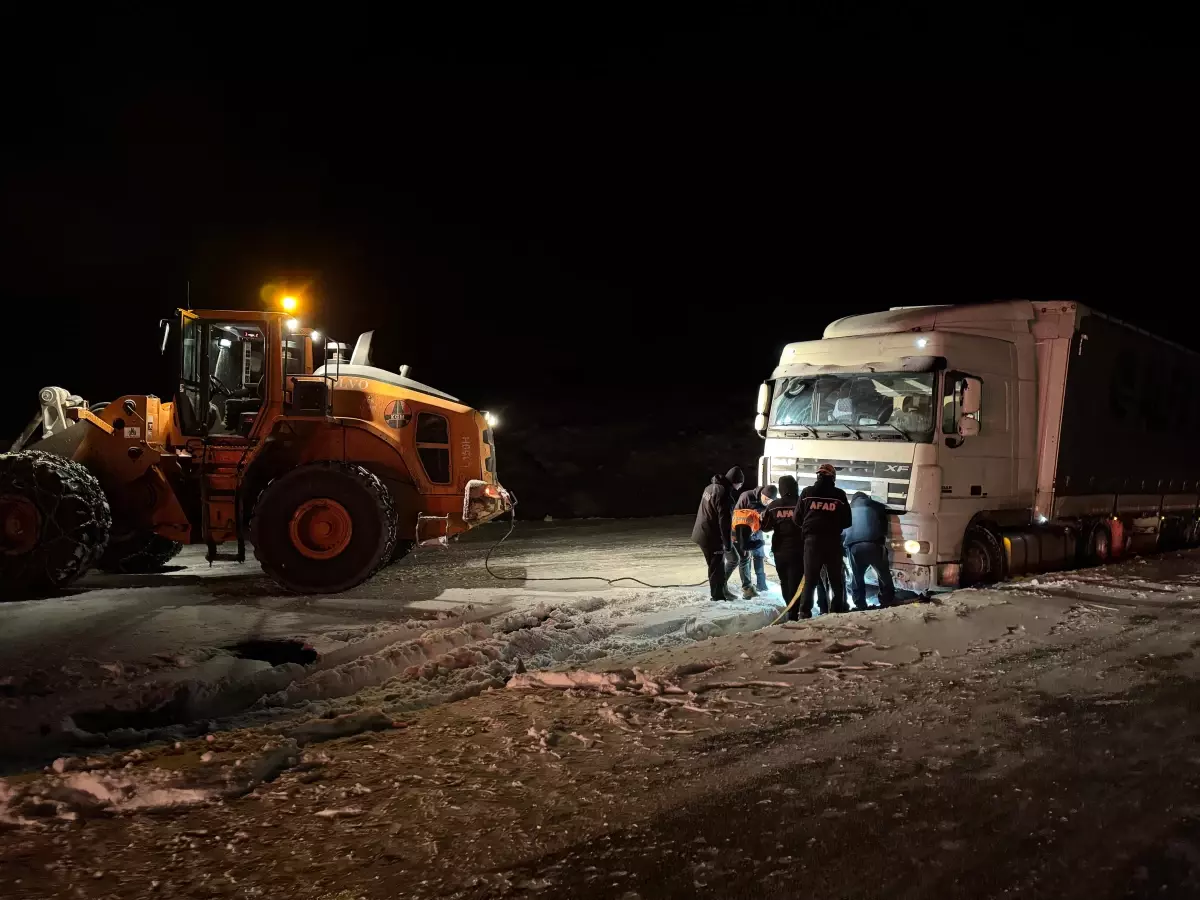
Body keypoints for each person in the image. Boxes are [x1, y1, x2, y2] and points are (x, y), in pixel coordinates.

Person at [798, 463, 852, 616]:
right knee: (836, 580)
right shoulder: (839, 495)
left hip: (812, 542)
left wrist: (810, 527)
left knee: (810, 580)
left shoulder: (807, 493)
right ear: (833, 477)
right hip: (833, 542)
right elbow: (848, 521)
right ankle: (837, 610)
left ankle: (804, 612)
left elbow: (797, 518)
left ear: (818, 475)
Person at [691, 466, 744, 601]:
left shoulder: (710, 487)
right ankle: (717, 598)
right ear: (736, 481)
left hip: (701, 531)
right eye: (741, 483)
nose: (740, 486)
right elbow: (724, 523)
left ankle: (721, 591)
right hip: (710, 536)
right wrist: (727, 544)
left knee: (718, 565)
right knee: (716, 567)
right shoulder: (725, 495)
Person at [843, 490, 897, 611]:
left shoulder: (847, 509)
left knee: (857, 577)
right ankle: (886, 600)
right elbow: (884, 527)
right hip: (874, 544)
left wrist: (845, 550)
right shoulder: (876, 505)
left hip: (855, 547)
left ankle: (860, 603)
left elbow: (842, 532)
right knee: (883, 574)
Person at [761, 476, 805, 619]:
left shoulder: (774, 506)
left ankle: (790, 608)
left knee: (785, 581)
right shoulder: (802, 503)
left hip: (780, 550)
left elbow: (765, 528)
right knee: (797, 582)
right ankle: (795, 612)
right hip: (799, 550)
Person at [729, 484, 778, 598]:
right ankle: (747, 586)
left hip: (757, 531)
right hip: (743, 532)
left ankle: (761, 584)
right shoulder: (746, 496)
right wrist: (738, 537)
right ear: (761, 494)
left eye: (770, 500)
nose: (767, 502)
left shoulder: (769, 504)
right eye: (766, 499)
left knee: (759, 556)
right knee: (745, 558)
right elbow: (736, 515)